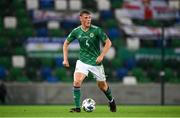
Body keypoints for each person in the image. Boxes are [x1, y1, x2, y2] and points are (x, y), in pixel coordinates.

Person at [63, 10, 117, 112]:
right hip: (82, 61)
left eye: (90, 18)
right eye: (86, 18)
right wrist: (65, 59)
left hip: (96, 62)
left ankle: (111, 101)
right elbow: (65, 43)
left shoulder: (97, 30)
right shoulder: (76, 31)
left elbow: (108, 43)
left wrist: (101, 56)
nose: (88, 20)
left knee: (102, 86)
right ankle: (78, 108)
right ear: (81, 18)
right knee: (77, 81)